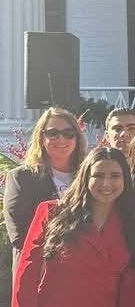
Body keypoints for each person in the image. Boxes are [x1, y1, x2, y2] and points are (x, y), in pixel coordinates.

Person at [3, 147, 135, 307]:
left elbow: (130, 288)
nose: (106, 183)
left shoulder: (131, 226)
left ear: (125, 180)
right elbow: (28, 272)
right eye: (98, 175)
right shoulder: (52, 213)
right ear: (85, 177)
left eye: (115, 176)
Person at [3, 107, 87, 274]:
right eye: (52, 133)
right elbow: (19, 235)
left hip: (84, 268)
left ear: (77, 137)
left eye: (68, 133)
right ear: (41, 137)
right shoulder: (21, 178)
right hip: (38, 270)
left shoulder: (89, 175)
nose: (61, 139)